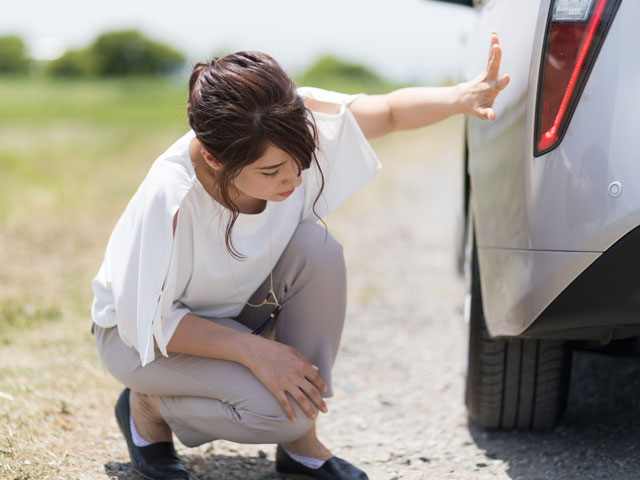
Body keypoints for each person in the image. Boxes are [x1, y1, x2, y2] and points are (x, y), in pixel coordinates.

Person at [91, 32, 509, 480]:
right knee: (280, 413)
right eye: (271, 171)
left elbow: (386, 112)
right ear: (213, 158)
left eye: (300, 161)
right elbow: (149, 324)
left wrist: (461, 96)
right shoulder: (170, 198)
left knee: (318, 248)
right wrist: (254, 352)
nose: (292, 179)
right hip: (145, 342)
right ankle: (148, 405)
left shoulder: (287, 123)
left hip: (229, 315)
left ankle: (300, 443)